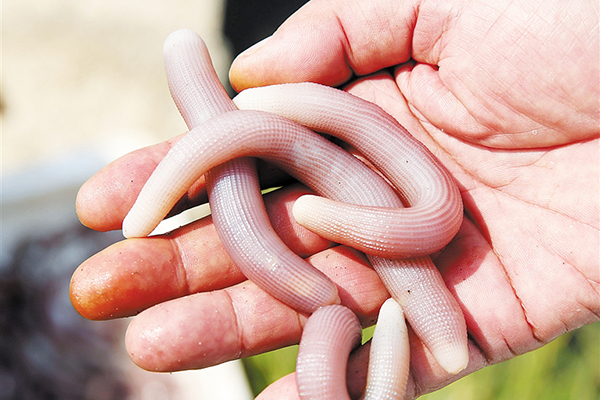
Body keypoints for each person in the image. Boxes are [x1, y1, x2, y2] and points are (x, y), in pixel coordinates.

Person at [71, 0, 599, 398]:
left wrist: (328, 220)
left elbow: (429, 222)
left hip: (379, 190)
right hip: (316, 146)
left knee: (251, 117)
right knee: (247, 121)